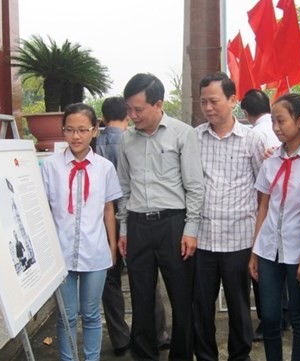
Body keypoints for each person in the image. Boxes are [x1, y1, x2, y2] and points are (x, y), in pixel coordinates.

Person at [116, 73, 204, 361]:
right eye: (129, 109)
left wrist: (191, 229)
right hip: (139, 225)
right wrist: (124, 231)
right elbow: (124, 188)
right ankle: (144, 356)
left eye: (138, 110)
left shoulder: (182, 134)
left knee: (182, 298)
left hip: (173, 226)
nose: (132, 115)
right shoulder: (126, 140)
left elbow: (194, 186)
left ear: (158, 104)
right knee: (141, 299)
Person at [193, 72, 266, 361]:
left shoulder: (252, 139)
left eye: (214, 101)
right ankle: (206, 356)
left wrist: (259, 243)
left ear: (233, 100)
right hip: (203, 239)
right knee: (202, 306)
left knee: (239, 306)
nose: (208, 108)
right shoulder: (195, 138)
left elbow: (264, 192)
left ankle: (240, 356)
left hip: (239, 239)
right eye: (203, 102)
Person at [41, 103, 122, 361]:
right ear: (63, 131)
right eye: (70, 130)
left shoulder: (104, 167)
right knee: (66, 316)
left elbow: (109, 209)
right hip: (60, 253)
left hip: (95, 251)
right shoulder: (50, 166)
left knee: (90, 314)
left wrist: (111, 247)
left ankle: (92, 358)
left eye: (82, 130)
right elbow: (43, 210)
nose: (76, 136)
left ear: (95, 130)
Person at [97, 96, 170, 356]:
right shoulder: (132, 140)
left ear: (103, 119)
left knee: (110, 280)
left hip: (103, 221)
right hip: (134, 216)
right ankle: (159, 332)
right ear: (127, 115)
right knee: (146, 280)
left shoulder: (94, 143)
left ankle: (120, 337)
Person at [248, 93, 300, 361]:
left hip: (298, 249)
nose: (276, 128)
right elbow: (263, 207)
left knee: (299, 317)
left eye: (281, 121)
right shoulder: (271, 160)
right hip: (268, 250)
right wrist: (255, 251)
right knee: (271, 316)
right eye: (274, 121)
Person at [240, 88, 283, 342]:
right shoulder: (267, 132)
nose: (279, 128)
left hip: (265, 208)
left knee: (264, 271)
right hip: (275, 208)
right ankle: (280, 314)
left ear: (245, 112)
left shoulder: (254, 134)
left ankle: (271, 319)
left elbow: (259, 182)